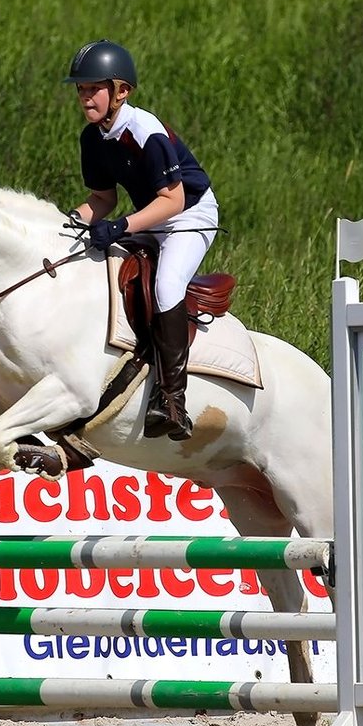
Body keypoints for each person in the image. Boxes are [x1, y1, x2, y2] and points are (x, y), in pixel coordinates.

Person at [63, 39, 219, 442]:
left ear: (122, 91)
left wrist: (121, 227)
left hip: (189, 214)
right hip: (149, 215)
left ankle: (172, 402)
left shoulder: (144, 131)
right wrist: (71, 223)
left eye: (93, 88)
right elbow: (103, 199)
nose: (85, 97)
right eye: (80, 89)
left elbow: (174, 199)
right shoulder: (92, 138)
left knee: (167, 286)